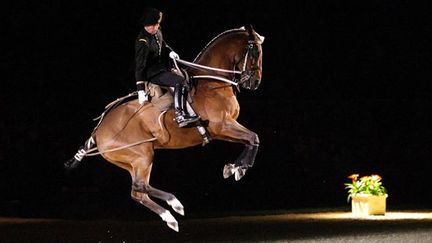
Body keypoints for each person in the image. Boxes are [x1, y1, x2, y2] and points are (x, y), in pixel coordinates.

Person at [135, 7, 200, 127]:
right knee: (179, 81)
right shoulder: (142, 41)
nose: (156, 28)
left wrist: (170, 52)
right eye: (153, 26)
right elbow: (139, 66)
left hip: (162, 67)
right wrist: (140, 89)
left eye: (157, 25)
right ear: (146, 25)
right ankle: (180, 114)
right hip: (152, 73)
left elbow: (163, 44)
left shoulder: (157, 30)